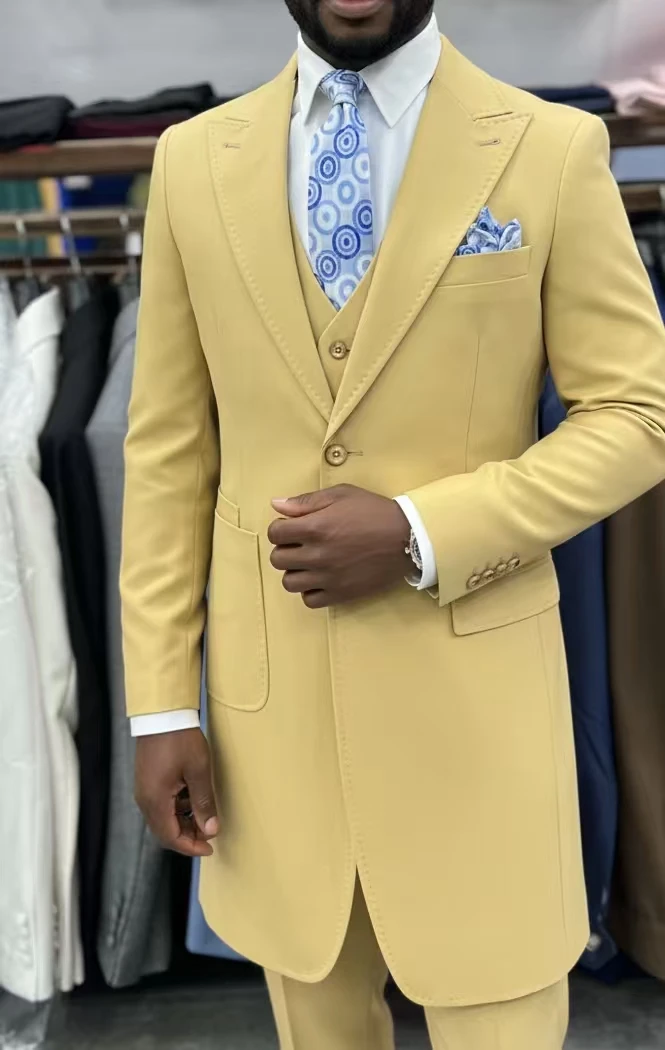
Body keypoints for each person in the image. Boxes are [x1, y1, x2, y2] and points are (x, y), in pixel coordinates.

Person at [120, 1, 665, 1047]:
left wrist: (421, 530)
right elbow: (167, 455)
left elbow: (637, 414)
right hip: (270, 734)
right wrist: (158, 708)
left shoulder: (548, 147)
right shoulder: (192, 161)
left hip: (477, 724)